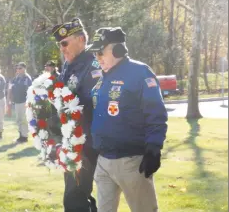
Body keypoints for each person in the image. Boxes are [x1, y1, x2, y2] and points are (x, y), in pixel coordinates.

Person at [88, 27, 168, 212]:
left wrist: (154, 148)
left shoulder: (140, 73)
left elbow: (155, 113)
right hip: (104, 160)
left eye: (100, 52)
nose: (97, 57)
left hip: (131, 161)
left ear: (118, 50)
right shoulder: (102, 77)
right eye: (94, 53)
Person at [51, 18, 101, 212]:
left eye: (65, 43)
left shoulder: (94, 64)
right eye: (60, 45)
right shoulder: (69, 65)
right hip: (73, 141)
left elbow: (91, 103)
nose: (62, 48)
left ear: (81, 39)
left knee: (75, 199)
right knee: (77, 197)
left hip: (88, 142)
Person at [8, 62, 32, 143]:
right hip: (17, 102)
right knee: (18, 119)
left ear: (24, 68)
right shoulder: (15, 78)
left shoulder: (27, 78)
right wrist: (9, 100)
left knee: (24, 119)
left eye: (20, 68)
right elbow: (10, 89)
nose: (18, 70)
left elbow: (30, 91)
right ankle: (21, 135)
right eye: (17, 68)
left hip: (24, 101)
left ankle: (24, 137)